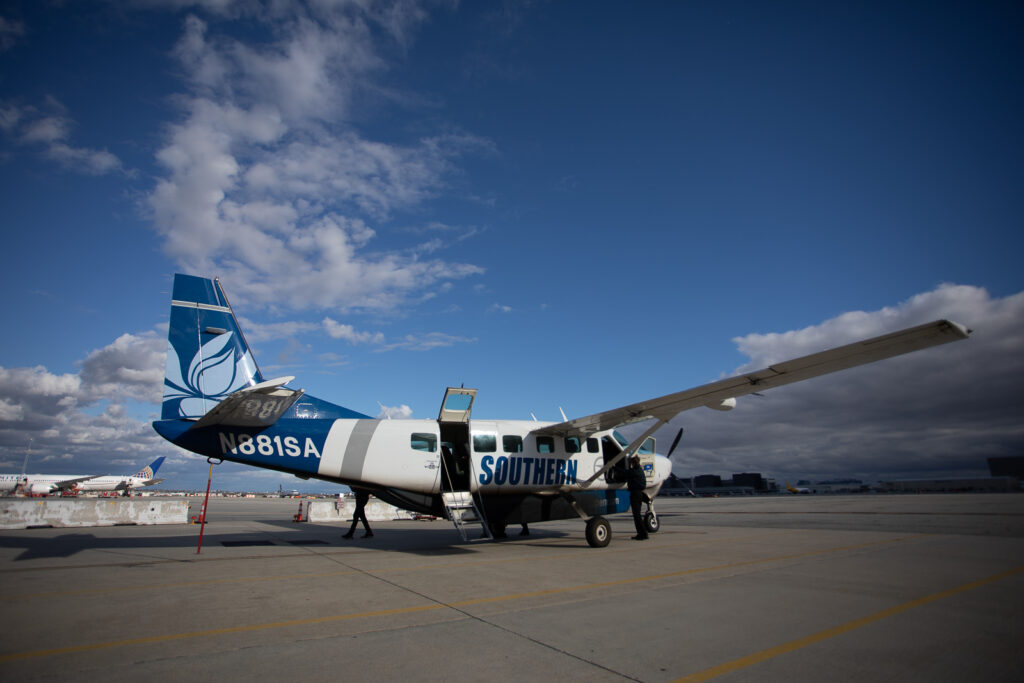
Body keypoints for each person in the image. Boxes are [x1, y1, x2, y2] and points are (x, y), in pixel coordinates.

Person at [627, 456, 648, 540]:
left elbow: (626, 473)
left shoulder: (635, 471)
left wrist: (614, 467)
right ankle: (643, 533)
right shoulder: (639, 470)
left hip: (635, 494)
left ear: (633, 463)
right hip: (639, 494)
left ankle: (642, 534)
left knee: (637, 515)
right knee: (637, 514)